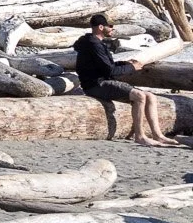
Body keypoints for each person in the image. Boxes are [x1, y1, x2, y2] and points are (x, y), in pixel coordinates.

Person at [75, 12, 181, 147]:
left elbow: (107, 66)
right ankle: (140, 136)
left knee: (151, 97)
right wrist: (132, 67)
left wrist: (126, 64)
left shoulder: (96, 43)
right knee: (139, 96)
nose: (112, 29)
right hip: (95, 85)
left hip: (102, 81)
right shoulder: (93, 45)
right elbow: (111, 72)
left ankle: (158, 135)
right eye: (110, 26)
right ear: (101, 27)